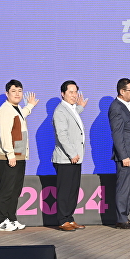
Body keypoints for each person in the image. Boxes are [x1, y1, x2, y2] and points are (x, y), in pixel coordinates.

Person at [0, 79, 39, 231]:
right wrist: (10, 154)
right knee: (6, 190)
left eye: (20, 91)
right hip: (8, 157)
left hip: (19, 156)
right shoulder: (5, 110)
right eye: (14, 91)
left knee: (15, 191)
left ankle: (11, 219)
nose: (17, 94)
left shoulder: (16, 108)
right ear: (7, 93)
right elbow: (5, 134)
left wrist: (30, 106)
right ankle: (1, 221)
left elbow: (22, 114)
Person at [52, 80, 88, 232]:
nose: (74, 95)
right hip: (66, 158)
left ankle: (69, 218)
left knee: (73, 190)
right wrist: (73, 153)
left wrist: (80, 107)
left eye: (75, 92)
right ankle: (62, 220)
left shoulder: (71, 109)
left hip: (75, 158)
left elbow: (73, 115)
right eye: (70, 92)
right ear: (63, 94)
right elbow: (62, 135)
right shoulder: (60, 111)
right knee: (65, 190)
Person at [109, 78, 130, 229]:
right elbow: (117, 135)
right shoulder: (116, 107)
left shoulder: (125, 105)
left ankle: (125, 217)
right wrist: (123, 156)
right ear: (122, 92)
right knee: (124, 187)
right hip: (126, 155)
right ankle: (121, 219)